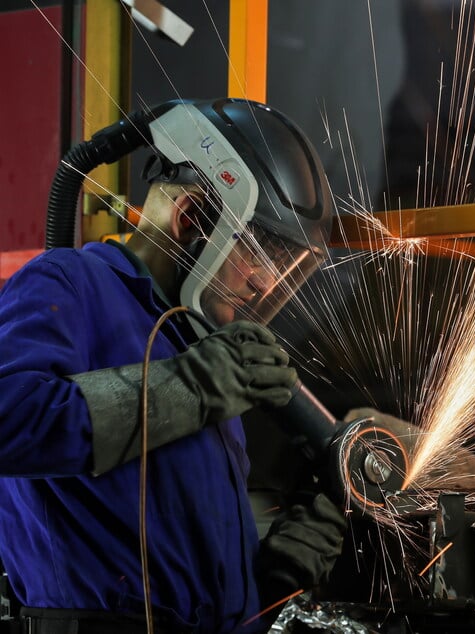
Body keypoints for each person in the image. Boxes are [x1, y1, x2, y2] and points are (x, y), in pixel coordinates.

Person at [0, 99, 346, 633]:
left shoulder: (199, 351)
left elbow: (174, 565)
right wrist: (187, 389)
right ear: (192, 217)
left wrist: (275, 579)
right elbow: (10, 421)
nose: (267, 283)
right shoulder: (69, 283)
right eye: (261, 253)